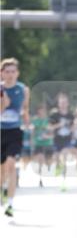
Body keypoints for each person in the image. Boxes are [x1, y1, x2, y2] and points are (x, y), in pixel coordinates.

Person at [0, 58, 30, 219]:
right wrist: (3, 103)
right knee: (2, 170)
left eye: (13, 71)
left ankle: (10, 203)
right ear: (1, 73)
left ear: (17, 73)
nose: (10, 75)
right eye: (7, 71)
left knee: (11, 165)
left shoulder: (23, 89)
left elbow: (25, 109)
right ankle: (3, 189)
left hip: (14, 132)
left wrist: (27, 121)